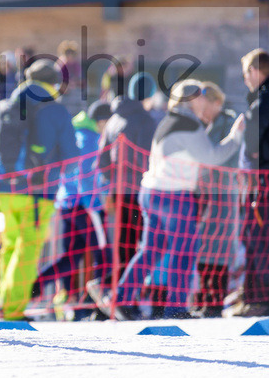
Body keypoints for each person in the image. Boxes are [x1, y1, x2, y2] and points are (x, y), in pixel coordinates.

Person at [100, 80, 244, 320]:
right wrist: (236, 136)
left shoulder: (168, 121)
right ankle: (176, 309)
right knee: (183, 252)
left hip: (151, 192)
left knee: (151, 250)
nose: (205, 100)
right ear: (193, 100)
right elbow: (212, 157)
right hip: (174, 196)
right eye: (202, 95)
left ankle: (120, 298)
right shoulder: (188, 125)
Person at [0, 59, 78, 320]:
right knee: (28, 249)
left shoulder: (3, 107)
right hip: (38, 193)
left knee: (9, 246)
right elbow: (71, 155)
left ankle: (4, 303)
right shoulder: (56, 111)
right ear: (54, 83)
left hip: (4, 192)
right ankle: (13, 310)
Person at [36, 100, 112, 316]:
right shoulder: (91, 138)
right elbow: (85, 175)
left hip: (67, 203)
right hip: (85, 205)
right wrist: (95, 204)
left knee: (71, 257)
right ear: (102, 121)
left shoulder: (77, 133)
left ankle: (33, 288)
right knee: (103, 253)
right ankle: (100, 304)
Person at [97, 71, 158, 283]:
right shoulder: (145, 121)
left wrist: (113, 180)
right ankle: (118, 292)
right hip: (137, 193)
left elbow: (102, 160)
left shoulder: (114, 119)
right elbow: (148, 159)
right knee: (135, 245)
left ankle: (110, 289)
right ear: (148, 95)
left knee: (122, 243)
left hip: (118, 192)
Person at [190, 82, 240, 317]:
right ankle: (203, 299)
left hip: (222, 194)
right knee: (204, 248)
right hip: (205, 195)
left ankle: (214, 301)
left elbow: (222, 158)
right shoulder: (204, 127)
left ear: (216, 102)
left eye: (204, 105)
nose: (201, 111)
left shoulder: (229, 125)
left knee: (218, 247)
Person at [229, 48, 269, 317]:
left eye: (246, 74)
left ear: (256, 71)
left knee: (258, 237)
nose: (245, 80)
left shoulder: (262, 102)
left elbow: (252, 143)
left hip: (262, 182)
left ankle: (258, 299)